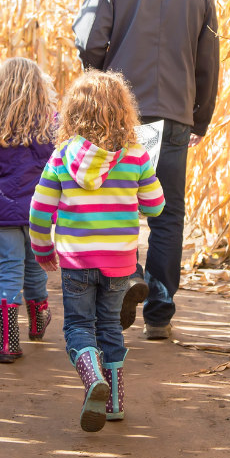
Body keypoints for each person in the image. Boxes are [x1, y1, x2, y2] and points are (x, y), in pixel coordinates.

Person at [72, 0, 219, 341]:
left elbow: (88, 42)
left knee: (118, 204)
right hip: (175, 116)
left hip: (121, 118)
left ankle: (126, 281)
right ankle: (159, 313)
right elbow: (208, 62)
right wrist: (200, 119)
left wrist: (101, 88)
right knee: (168, 214)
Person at [28, 71, 164, 432]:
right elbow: (155, 206)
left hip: (76, 261)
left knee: (77, 327)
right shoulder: (136, 157)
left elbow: (39, 211)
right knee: (110, 328)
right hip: (119, 262)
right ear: (124, 111)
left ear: (73, 112)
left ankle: (92, 381)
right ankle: (115, 403)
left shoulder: (61, 157)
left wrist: (42, 249)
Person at [0, 58, 57, 364]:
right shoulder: (52, 124)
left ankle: (8, 341)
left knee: (10, 269)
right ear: (39, 87)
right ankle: (37, 321)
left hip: (3, 209)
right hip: (39, 211)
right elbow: (59, 166)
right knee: (35, 268)